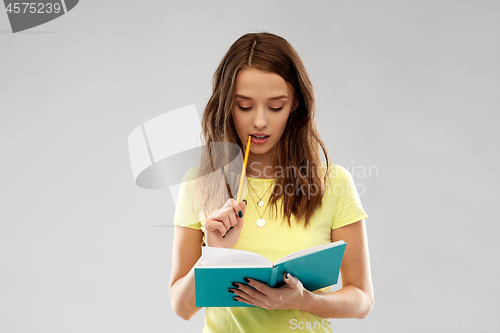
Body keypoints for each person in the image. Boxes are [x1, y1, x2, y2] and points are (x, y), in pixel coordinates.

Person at [169, 32, 373, 333]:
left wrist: (305, 300)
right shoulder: (199, 184)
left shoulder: (333, 182)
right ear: (226, 106)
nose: (260, 121)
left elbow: (362, 299)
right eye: (245, 106)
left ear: (296, 105)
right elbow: (182, 307)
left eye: (275, 106)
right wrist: (213, 255)